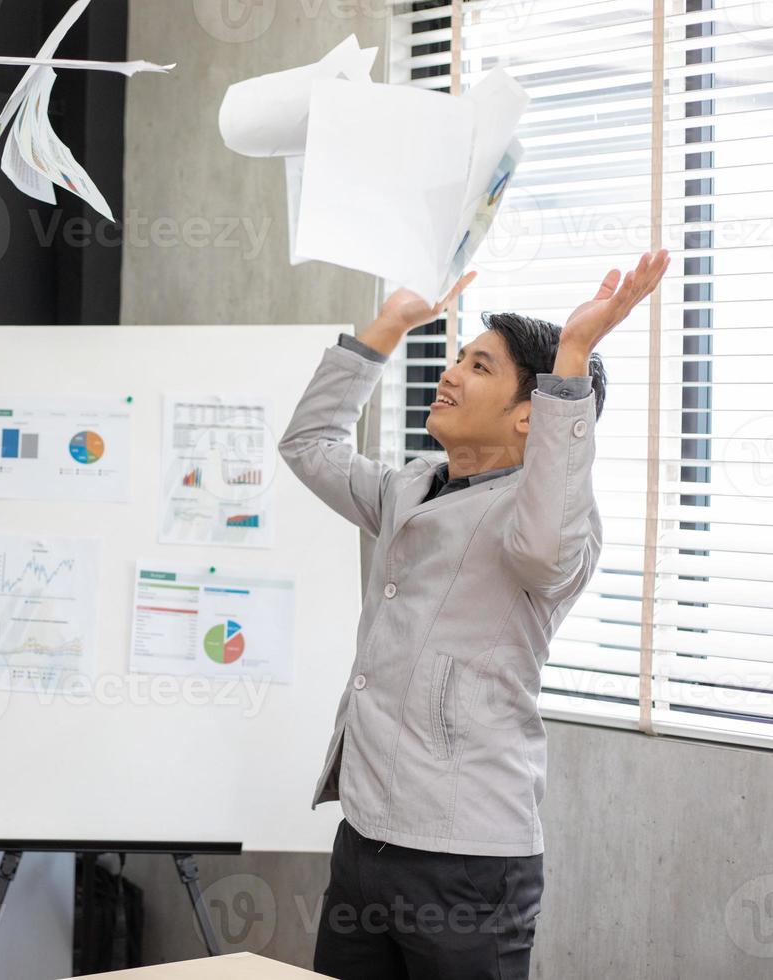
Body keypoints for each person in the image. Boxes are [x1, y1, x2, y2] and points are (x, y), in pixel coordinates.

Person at [279, 252, 669, 979]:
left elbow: (548, 546)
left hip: (465, 863)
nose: (451, 373)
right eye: (457, 358)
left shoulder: (546, 525)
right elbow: (309, 446)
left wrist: (574, 357)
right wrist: (392, 322)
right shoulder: (408, 486)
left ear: (532, 416)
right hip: (363, 838)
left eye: (480, 367)